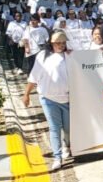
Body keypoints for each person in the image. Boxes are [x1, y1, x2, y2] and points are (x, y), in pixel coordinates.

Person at [22, 30, 72, 171]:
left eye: (63, 43)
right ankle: (57, 157)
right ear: (51, 42)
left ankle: (66, 145)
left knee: (68, 128)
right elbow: (34, 76)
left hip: (67, 99)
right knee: (54, 128)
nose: (61, 45)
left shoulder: (71, 55)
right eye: (58, 43)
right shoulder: (43, 56)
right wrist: (26, 94)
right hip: (48, 98)